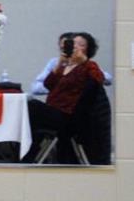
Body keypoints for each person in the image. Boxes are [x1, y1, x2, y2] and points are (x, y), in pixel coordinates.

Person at [26, 32, 107, 160]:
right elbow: (48, 84)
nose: (75, 46)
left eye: (81, 44)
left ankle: (30, 153)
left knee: (32, 106)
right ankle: (27, 151)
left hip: (68, 115)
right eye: (73, 43)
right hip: (54, 111)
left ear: (87, 49)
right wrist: (60, 64)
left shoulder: (88, 66)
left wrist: (84, 61)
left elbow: (99, 80)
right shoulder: (65, 66)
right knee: (28, 106)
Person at [30, 31, 113, 96]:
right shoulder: (55, 63)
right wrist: (62, 86)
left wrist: (83, 62)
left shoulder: (88, 65)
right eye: (63, 48)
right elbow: (36, 87)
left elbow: (107, 79)